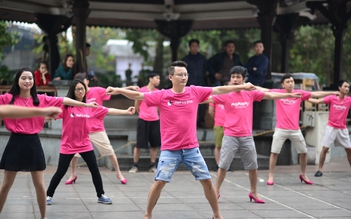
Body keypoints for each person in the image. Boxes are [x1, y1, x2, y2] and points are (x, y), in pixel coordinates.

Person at [106, 60, 257, 219]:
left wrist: (242, 86)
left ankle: (217, 215)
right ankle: (148, 215)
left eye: (185, 74)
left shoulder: (195, 92)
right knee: (159, 182)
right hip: (170, 150)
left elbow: (218, 89)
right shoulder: (162, 95)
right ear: (171, 77)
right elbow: (138, 95)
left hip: (192, 149)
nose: (184, 77)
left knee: (207, 181)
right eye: (180, 74)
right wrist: (117, 90)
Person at [0, 68, 98, 219]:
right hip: (15, 141)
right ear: (17, 81)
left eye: (30, 78)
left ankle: (43, 217)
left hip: (33, 141)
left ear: (33, 82)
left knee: (39, 185)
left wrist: (85, 105)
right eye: (24, 78)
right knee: (6, 185)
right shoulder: (8, 98)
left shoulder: (40, 99)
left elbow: (64, 100)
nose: (27, 81)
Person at [206, 66, 302, 204]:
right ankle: (217, 191)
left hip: (246, 136)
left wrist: (288, 95)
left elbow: (270, 95)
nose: (235, 79)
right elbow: (206, 99)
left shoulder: (250, 93)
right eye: (233, 77)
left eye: (238, 77)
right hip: (230, 135)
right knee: (223, 166)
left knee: (253, 166)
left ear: (244, 80)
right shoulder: (225, 94)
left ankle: (254, 192)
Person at [46, 79, 135, 206]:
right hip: (68, 144)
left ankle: (101, 195)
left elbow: (108, 110)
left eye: (82, 89)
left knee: (94, 169)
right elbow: (51, 115)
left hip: (85, 144)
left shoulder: (91, 105)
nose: (81, 91)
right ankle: (48, 196)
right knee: (60, 171)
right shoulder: (66, 106)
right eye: (78, 89)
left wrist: (126, 111)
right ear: (73, 91)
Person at [256, 73, 339, 186]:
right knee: (274, 152)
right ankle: (271, 175)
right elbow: (263, 90)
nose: (291, 84)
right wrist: (246, 86)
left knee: (303, 152)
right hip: (281, 129)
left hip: (295, 129)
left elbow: (315, 94)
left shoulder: (298, 93)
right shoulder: (278, 93)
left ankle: (303, 174)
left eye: (292, 81)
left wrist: (332, 92)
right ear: (283, 84)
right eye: (288, 82)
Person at [64, 73, 138, 185]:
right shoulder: (75, 98)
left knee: (109, 151)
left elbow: (113, 92)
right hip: (81, 130)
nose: (80, 88)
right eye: (77, 84)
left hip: (97, 128)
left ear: (87, 81)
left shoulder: (97, 91)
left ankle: (119, 173)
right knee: (74, 154)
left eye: (82, 82)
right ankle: (73, 174)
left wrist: (129, 88)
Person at [307, 80, 351, 177]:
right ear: (339, 88)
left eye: (348, 87)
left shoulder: (349, 100)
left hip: (342, 129)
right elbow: (317, 101)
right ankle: (320, 170)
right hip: (331, 127)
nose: (347, 88)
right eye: (345, 86)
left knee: (349, 149)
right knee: (325, 148)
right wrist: (305, 98)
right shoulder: (332, 98)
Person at [129, 72, 161, 173]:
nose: (158, 80)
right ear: (150, 79)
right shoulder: (142, 91)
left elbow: (159, 107)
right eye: (157, 78)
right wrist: (143, 114)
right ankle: (135, 165)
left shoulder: (158, 92)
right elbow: (137, 105)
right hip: (143, 120)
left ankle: (152, 165)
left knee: (154, 145)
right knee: (139, 144)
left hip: (155, 120)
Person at [182, 39, 208, 128]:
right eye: (193, 46)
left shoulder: (203, 59)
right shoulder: (185, 60)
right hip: (190, 85)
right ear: (189, 47)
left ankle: (201, 121)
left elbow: (206, 71)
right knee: (189, 104)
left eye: (196, 46)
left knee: (203, 104)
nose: (194, 48)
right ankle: (190, 122)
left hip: (201, 84)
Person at [208, 81, 230, 171]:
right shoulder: (215, 97)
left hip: (229, 125)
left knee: (228, 146)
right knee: (218, 145)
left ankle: (226, 165)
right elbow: (210, 111)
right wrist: (217, 119)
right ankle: (218, 164)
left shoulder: (230, 97)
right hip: (219, 124)